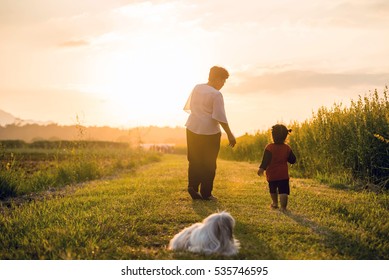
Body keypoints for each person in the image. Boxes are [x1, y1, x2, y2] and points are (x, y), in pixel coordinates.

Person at [183, 66, 236, 201]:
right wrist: (230, 134)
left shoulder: (197, 87)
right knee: (209, 163)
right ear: (217, 78)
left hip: (192, 127)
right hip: (209, 132)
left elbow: (190, 107)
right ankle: (206, 193)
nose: (223, 84)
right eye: (223, 81)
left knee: (194, 159)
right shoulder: (216, 94)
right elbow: (220, 117)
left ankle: (193, 187)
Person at [257, 124, 296, 211]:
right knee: (284, 191)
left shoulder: (269, 147)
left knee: (273, 189)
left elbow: (265, 160)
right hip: (283, 175)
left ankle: (275, 203)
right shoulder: (287, 148)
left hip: (272, 174)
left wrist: (261, 168)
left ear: (273, 135)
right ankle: (283, 207)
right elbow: (293, 160)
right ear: (286, 136)